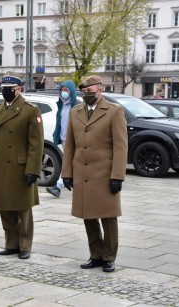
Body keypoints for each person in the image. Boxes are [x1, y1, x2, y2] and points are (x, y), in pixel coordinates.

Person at [61, 75, 128, 273]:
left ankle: (109, 256)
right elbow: (70, 145)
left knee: (108, 216)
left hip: (105, 173)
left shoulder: (114, 112)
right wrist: (67, 173)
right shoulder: (76, 112)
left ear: (100, 90)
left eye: (90, 91)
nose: (86, 95)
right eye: (84, 92)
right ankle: (95, 254)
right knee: (87, 215)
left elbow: (121, 147)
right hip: (82, 172)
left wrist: (117, 176)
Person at [0, 75, 44, 260]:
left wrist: (33, 169)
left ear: (19, 90)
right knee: (4, 207)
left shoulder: (30, 110)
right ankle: (11, 244)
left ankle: (25, 245)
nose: (6, 92)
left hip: (20, 167)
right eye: (4, 89)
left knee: (23, 209)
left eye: (10, 89)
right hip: (0, 166)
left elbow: (36, 144)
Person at [46, 80, 78, 198]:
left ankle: (58, 186)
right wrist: (56, 135)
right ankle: (63, 185)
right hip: (64, 139)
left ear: (71, 92)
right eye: (62, 90)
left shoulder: (76, 106)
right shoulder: (61, 105)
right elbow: (59, 122)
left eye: (66, 90)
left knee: (68, 162)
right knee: (69, 162)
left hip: (73, 140)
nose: (63, 92)